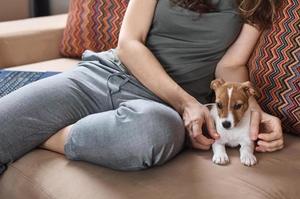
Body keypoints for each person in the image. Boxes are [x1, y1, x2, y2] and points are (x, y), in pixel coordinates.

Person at [0, 0, 284, 174]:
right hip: (107, 75)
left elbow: (231, 66)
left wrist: (255, 113)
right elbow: (129, 43)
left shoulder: (257, 3)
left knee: (149, 136)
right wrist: (187, 103)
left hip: (161, 107)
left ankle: (43, 135)